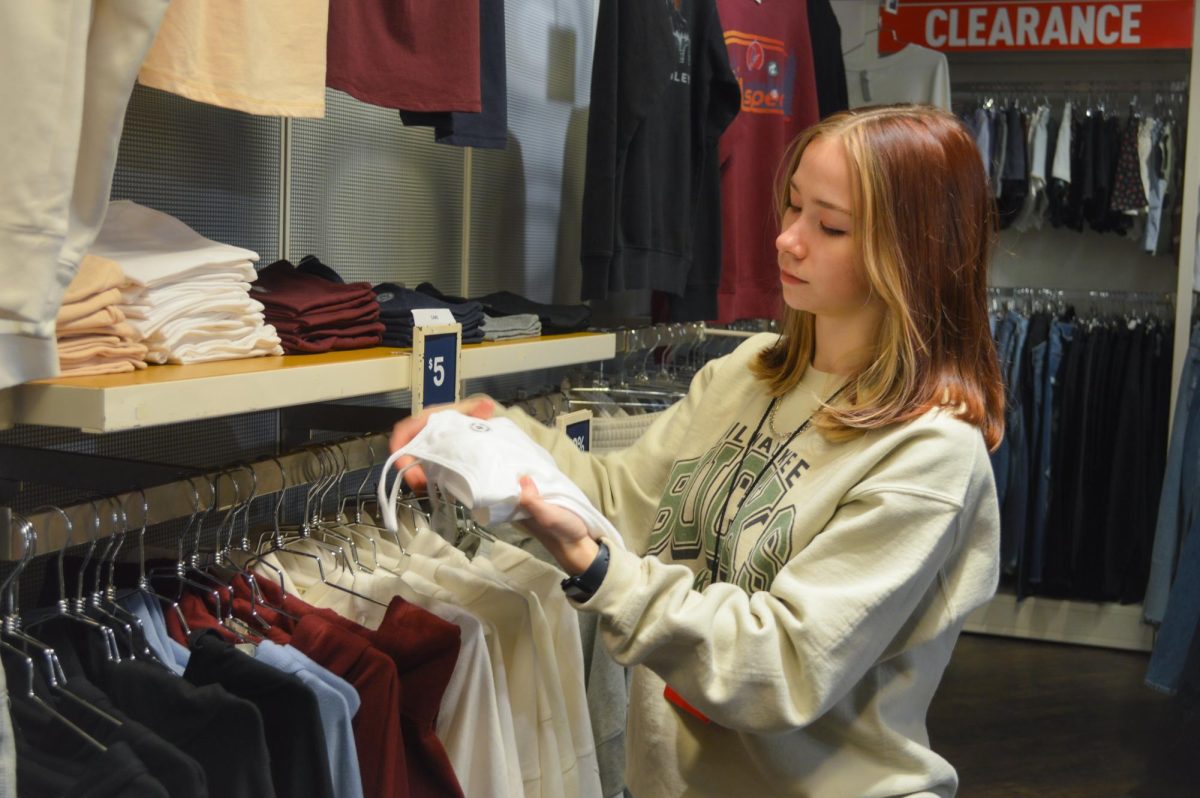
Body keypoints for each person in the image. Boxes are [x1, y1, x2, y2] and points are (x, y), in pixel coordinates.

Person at [390, 104, 1004, 798]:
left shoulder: (929, 455)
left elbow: (784, 664)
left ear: (912, 254)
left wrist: (600, 573)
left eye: (828, 225)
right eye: (793, 206)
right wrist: (496, 435)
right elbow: (622, 502)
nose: (787, 240)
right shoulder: (745, 374)